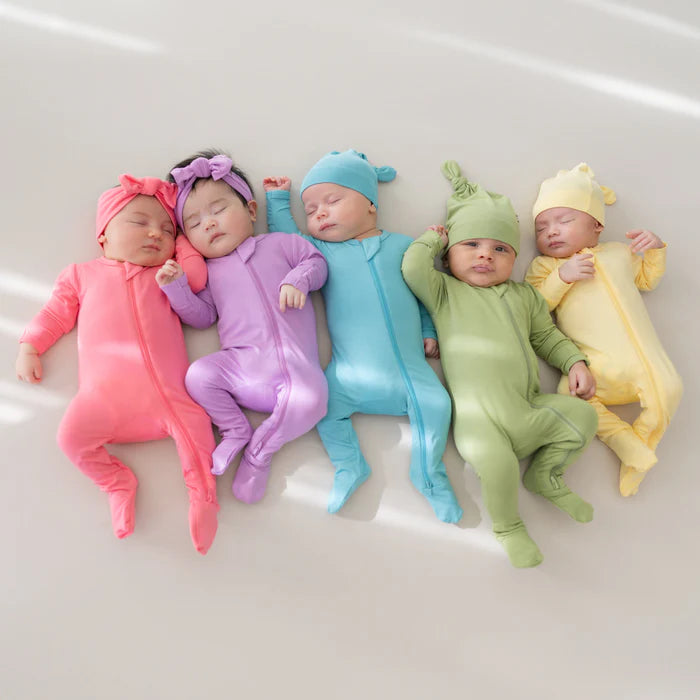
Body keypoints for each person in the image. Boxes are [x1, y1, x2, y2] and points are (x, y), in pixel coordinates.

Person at [402, 161, 598, 567]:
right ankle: (509, 527)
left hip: (530, 408)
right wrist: (431, 240)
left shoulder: (525, 296)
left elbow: (546, 337)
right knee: (496, 467)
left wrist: (575, 363)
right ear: (448, 257)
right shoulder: (445, 291)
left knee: (582, 417)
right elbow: (413, 268)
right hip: (480, 421)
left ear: (514, 258)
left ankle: (545, 475)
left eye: (500, 249)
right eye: (471, 244)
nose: (485, 255)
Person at [16, 174, 219, 554]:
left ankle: (203, 497)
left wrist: (182, 244)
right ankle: (117, 483)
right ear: (104, 236)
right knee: (71, 439)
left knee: (198, 436)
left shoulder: (166, 275)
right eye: (139, 222)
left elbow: (196, 278)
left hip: (169, 399)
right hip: (102, 400)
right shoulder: (81, 275)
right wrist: (30, 345)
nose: (155, 234)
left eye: (166, 230)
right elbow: (56, 314)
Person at [264, 149, 463, 523]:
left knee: (438, 406)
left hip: (410, 374)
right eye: (311, 209)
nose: (319, 214)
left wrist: (427, 330)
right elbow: (288, 239)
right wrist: (277, 200)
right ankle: (349, 464)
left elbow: (421, 294)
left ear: (371, 204)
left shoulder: (404, 247)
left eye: (332, 201)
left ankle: (428, 475)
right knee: (320, 406)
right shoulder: (321, 253)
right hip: (348, 375)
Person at [158, 151, 328, 504]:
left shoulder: (279, 245)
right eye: (194, 223)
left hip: (295, 375)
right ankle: (235, 428)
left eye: (218, 209)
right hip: (241, 369)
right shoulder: (210, 273)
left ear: (251, 210)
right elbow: (203, 317)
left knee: (313, 400)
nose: (209, 223)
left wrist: (298, 279)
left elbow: (316, 261)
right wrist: (176, 288)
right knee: (199, 375)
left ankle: (258, 454)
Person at [525, 163, 683, 497]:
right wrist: (562, 277)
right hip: (595, 367)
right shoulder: (545, 266)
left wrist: (655, 249)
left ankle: (640, 447)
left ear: (596, 226)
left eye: (564, 220)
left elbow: (647, 280)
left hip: (644, 362)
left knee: (670, 390)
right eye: (541, 227)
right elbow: (536, 307)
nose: (551, 232)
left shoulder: (618, 253)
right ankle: (626, 443)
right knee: (569, 396)